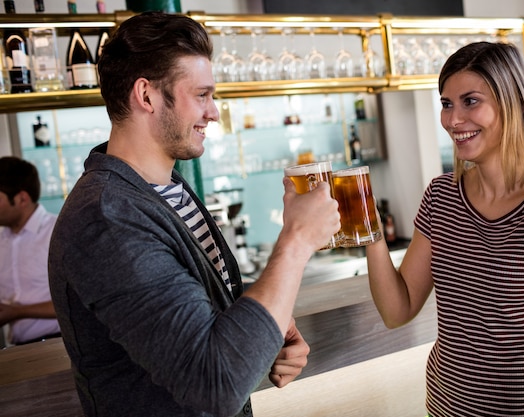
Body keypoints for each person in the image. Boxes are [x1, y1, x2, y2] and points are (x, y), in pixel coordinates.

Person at [48, 12, 340, 417]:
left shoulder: (166, 187)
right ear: (146, 96)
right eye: (202, 95)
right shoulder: (107, 217)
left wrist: (264, 328)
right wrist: (296, 242)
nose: (214, 111)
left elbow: (197, 322)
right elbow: (213, 383)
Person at [366, 41, 524, 417]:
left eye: (470, 101)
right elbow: (397, 309)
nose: (453, 120)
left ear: (512, 102)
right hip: (443, 409)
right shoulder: (441, 197)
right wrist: (368, 226)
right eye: (446, 103)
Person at [0, 156, 60, 346]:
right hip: (16, 349)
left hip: (58, 346)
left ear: (22, 199)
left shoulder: (58, 232)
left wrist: (18, 312)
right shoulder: (2, 240)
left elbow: (80, 303)